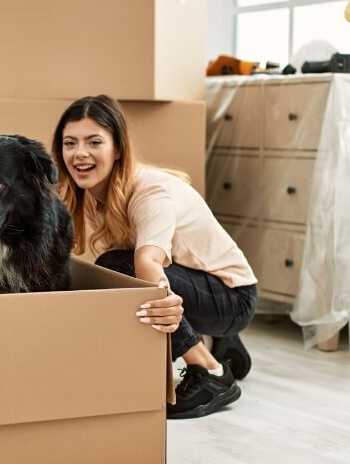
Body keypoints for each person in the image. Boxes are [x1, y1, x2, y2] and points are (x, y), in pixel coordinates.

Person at [52, 95, 258, 419]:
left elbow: (147, 262)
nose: (80, 153)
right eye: (70, 143)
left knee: (118, 268)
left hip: (233, 296)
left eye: (94, 142)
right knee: (111, 269)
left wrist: (162, 302)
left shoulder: (150, 192)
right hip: (204, 286)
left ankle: (210, 370)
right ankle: (222, 342)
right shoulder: (88, 191)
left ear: (117, 148)